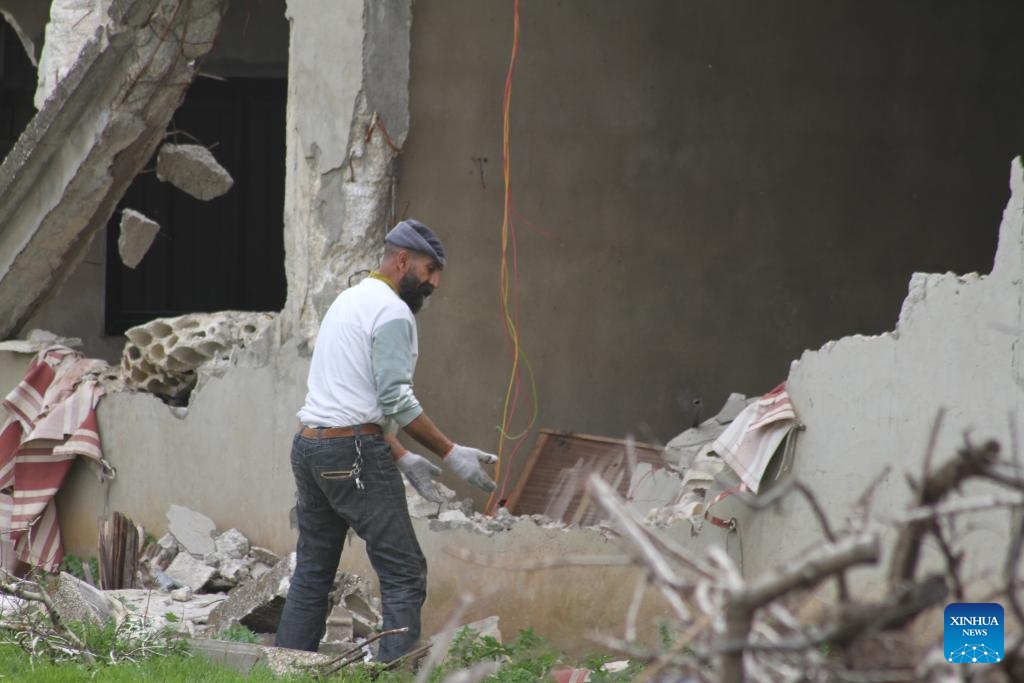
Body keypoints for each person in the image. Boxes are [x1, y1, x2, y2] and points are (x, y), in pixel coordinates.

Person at [274, 219, 498, 663]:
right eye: (430, 270)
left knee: (314, 570)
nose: (434, 282)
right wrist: (450, 453)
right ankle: (391, 674)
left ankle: (286, 668)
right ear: (402, 261)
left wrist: (400, 454)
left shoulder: (348, 299)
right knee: (404, 573)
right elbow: (395, 398)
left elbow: (351, 394)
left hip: (310, 448)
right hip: (351, 454)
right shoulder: (393, 312)